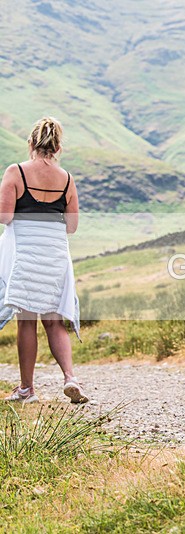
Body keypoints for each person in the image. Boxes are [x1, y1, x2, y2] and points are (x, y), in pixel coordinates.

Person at [0, 116, 87, 404]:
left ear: (31, 143)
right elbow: (72, 226)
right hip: (55, 254)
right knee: (54, 321)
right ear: (58, 146)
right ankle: (71, 377)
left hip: (26, 253)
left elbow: (5, 217)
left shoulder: (16, 172)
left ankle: (27, 389)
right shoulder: (67, 179)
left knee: (26, 321)